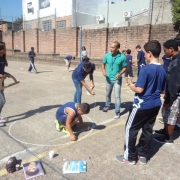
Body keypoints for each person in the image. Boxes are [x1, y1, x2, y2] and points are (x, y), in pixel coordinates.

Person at [116, 40, 166, 165]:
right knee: (147, 129)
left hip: (142, 105)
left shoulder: (146, 69)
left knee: (130, 129)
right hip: (155, 104)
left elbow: (139, 89)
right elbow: (163, 91)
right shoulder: (163, 70)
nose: (144, 56)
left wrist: (131, 85)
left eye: (145, 53)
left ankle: (130, 157)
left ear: (149, 53)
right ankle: (143, 155)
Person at [154, 39, 180, 144]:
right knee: (166, 113)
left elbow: (175, 84)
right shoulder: (174, 60)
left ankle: (169, 137)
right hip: (170, 93)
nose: (164, 53)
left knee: (171, 116)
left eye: (165, 50)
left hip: (174, 95)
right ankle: (165, 131)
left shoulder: (177, 62)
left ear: (171, 49)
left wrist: (168, 100)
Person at [101, 41, 127, 119]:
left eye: (113, 47)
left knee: (117, 96)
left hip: (117, 80)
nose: (111, 49)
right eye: (110, 47)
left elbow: (125, 67)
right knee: (108, 94)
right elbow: (103, 64)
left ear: (117, 48)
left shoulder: (122, 57)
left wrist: (119, 74)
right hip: (108, 79)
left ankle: (117, 111)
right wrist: (103, 71)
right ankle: (107, 105)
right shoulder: (107, 55)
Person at [0, 42, 18, 127]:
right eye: (4, 48)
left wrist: (7, 74)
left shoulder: (2, 58)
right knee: (2, 101)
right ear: (1, 50)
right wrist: (0, 75)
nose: (6, 49)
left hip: (1, 83)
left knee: (1, 101)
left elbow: (2, 72)